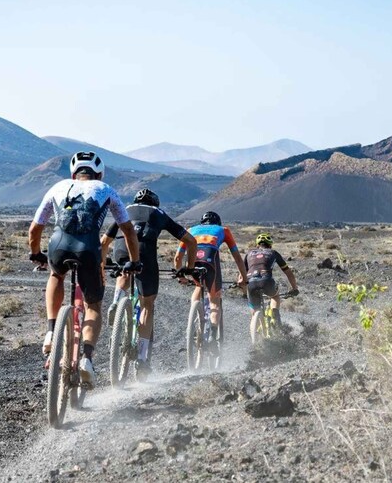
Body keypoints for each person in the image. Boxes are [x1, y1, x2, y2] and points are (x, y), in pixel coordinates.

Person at [28, 151, 142, 386]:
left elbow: (35, 228)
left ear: (73, 172)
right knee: (93, 306)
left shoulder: (57, 187)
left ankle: (51, 330)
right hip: (89, 250)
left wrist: (36, 253)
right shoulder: (106, 189)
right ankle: (87, 359)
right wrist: (135, 260)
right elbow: (129, 231)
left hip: (58, 247)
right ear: (98, 173)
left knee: (56, 275)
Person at [100, 188, 198, 379]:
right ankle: (143, 360)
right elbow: (191, 241)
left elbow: (104, 242)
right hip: (144, 252)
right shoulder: (158, 213)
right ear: (155, 202)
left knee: (124, 269)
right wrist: (189, 268)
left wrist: (102, 267)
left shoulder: (125, 209)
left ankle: (116, 301)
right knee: (147, 305)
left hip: (121, 248)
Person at [173, 211, 247, 349]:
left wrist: (180, 276)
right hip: (210, 264)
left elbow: (177, 257)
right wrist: (243, 277)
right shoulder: (223, 230)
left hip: (192, 265)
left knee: (198, 285)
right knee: (214, 300)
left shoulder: (190, 230)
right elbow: (237, 257)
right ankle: (213, 335)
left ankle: (193, 315)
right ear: (217, 222)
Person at [244, 233, 298, 325]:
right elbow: (288, 273)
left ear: (257, 245)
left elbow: (242, 275)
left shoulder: (248, 254)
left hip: (251, 283)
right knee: (275, 296)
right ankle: (275, 313)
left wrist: (242, 290)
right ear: (270, 245)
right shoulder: (273, 253)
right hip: (267, 281)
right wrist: (294, 288)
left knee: (254, 308)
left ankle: (256, 328)